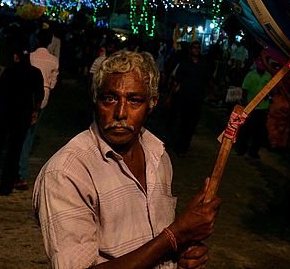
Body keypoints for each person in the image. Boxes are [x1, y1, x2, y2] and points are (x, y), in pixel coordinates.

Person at [33, 50, 220, 268]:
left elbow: (152, 243)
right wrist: (174, 236)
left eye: (134, 100)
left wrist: (181, 253)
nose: (120, 112)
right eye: (110, 99)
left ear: (152, 103)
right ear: (95, 100)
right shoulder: (67, 173)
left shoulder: (158, 156)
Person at [0, 35, 44, 196]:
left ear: (16, 56)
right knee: (14, 151)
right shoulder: (35, 73)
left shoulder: (9, 71)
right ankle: (6, 187)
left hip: (4, 115)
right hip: (22, 115)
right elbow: (39, 96)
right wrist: (34, 111)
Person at [20, 28, 59, 188]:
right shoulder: (54, 60)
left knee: (24, 134)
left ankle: (20, 170)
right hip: (43, 95)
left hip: (27, 94)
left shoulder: (30, 56)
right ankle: (21, 169)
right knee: (30, 132)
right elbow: (52, 82)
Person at [165, 41, 213, 156]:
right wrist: (169, 96)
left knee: (192, 124)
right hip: (184, 97)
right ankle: (179, 146)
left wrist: (211, 93)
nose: (196, 50)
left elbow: (209, 79)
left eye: (198, 48)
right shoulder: (185, 64)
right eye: (194, 48)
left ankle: (184, 145)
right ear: (191, 50)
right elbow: (176, 81)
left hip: (197, 98)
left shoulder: (203, 64)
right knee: (183, 122)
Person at [234, 58, 271, 160]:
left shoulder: (268, 76)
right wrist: (246, 105)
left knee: (258, 132)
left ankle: (254, 152)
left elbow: (271, 90)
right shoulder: (251, 75)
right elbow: (244, 90)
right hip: (250, 107)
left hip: (262, 107)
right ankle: (241, 149)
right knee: (245, 130)